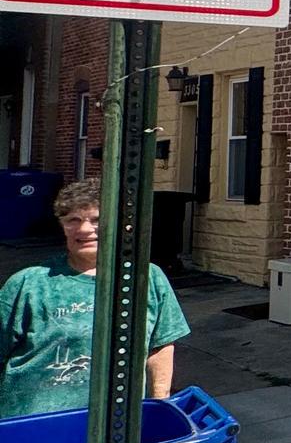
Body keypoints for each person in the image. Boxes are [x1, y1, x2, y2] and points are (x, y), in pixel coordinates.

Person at [0, 179, 190, 421]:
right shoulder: (28, 284)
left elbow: (160, 347)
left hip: (117, 424)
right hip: (31, 424)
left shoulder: (147, 278)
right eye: (73, 220)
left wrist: (158, 408)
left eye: (97, 220)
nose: (84, 229)